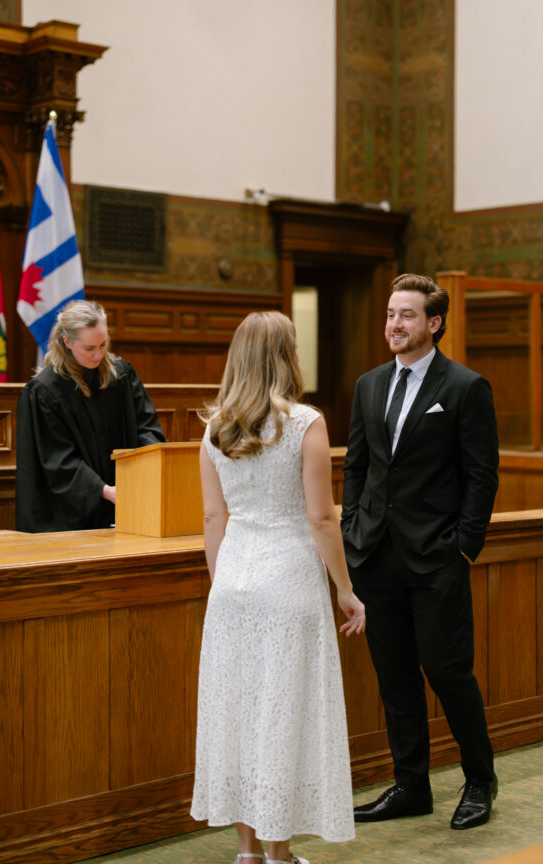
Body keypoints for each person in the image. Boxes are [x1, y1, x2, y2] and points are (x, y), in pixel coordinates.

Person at [190, 311, 365, 864]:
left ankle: (246, 852)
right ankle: (279, 854)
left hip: (233, 584)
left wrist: (225, 587)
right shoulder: (305, 424)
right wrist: (345, 588)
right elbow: (321, 519)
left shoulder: (214, 428)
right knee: (280, 715)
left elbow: (213, 520)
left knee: (239, 714)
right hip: (289, 581)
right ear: (287, 356)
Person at [341, 273, 499, 830]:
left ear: (433, 323)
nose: (394, 324)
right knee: (395, 676)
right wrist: (350, 531)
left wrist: (465, 548)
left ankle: (480, 779)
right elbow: (357, 467)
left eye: (406, 315)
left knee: (447, 671)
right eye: (390, 314)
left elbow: (482, 474)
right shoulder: (368, 386)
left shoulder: (464, 387)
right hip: (375, 558)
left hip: (437, 559)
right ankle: (411, 785)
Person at [15, 300, 165, 532]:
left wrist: (146, 468)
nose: (98, 355)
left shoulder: (122, 375)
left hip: (127, 503)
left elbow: (147, 428)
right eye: (89, 348)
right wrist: (104, 491)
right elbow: (58, 460)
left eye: (103, 345)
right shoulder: (45, 391)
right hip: (70, 516)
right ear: (67, 342)